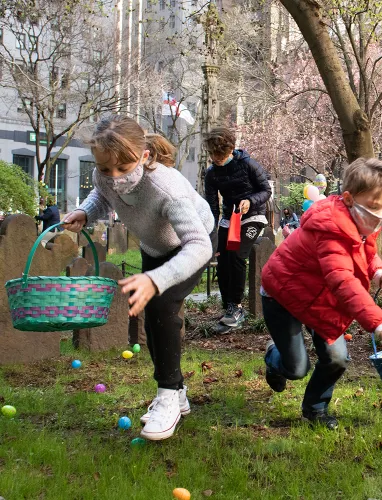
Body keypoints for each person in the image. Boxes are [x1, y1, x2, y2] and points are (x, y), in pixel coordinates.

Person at [62, 116, 215, 441]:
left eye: (123, 168)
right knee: (150, 319)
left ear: (144, 156)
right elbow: (105, 196)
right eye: (106, 169)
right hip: (154, 245)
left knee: (162, 306)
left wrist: (157, 281)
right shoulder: (103, 176)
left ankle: (168, 395)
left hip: (192, 242)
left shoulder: (166, 187)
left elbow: (199, 245)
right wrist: (86, 212)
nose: (114, 178)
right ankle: (177, 392)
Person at [260, 158, 382, 429]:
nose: (379, 216)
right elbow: (343, 281)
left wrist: (377, 271)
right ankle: (275, 358)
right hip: (283, 295)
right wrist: (381, 326)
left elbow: (365, 253)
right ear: (347, 199)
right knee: (297, 368)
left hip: (318, 299)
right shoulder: (330, 230)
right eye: (372, 207)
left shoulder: (363, 224)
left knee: (336, 358)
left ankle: (315, 408)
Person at [204, 127, 272, 328]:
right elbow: (212, 205)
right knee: (223, 258)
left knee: (235, 254)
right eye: (213, 154)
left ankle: (238, 306)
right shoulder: (211, 174)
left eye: (220, 154)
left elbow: (266, 190)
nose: (216, 158)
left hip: (253, 216)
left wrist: (250, 201)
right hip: (229, 218)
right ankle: (228, 306)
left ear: (231, 149)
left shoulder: (248, 165)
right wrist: (212, 232)